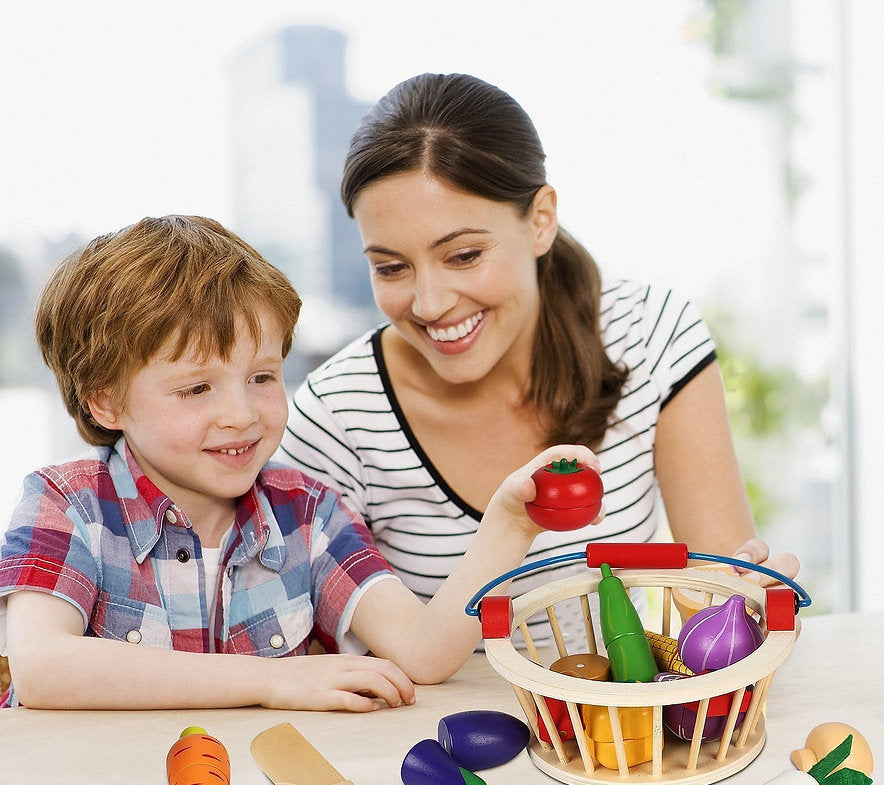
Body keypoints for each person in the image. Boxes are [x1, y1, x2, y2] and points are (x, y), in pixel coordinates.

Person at [278, 72, 800, 647]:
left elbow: (719, 596)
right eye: (391, 267)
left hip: (610, 726)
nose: (429, 304)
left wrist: (751, 606)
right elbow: (318, 655)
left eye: (464, 255)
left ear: (541, 220)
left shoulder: (651, 334)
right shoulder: (335, 416)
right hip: (426, 734)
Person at [0, 214, 600, 711]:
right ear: (105, 400)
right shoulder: (65, 502)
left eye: (262, 376)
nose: (242, 414)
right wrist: (272, 680)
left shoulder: (308, 513)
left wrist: (510, 523)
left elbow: (424, 653)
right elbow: (43, 668)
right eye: (196, 389)